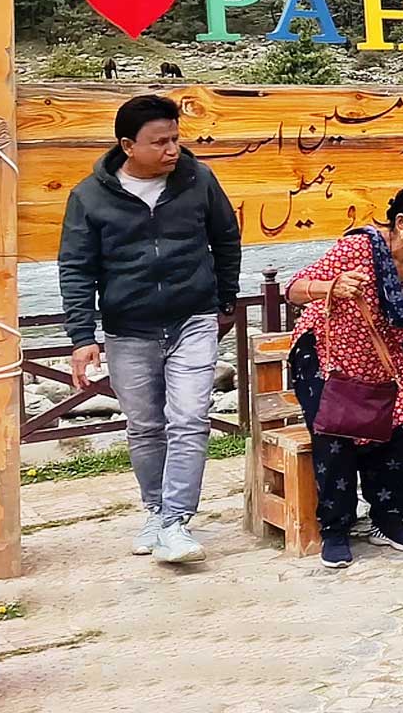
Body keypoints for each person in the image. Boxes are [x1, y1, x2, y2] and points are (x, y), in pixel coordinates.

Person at [58, 95, 241, 564]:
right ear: (127, 146)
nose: (172, 149)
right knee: (144, 427)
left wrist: (224, 299)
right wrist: (82, 337)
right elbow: (76, 268)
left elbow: (226, 238)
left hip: (192, 319)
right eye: (159, 142)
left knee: (190, 419)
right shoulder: (89, 197)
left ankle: (176, 521)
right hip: (128, 328)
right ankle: (156, 512)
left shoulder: (199, 180)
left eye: (175, 138)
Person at [283, 188, 403, 569]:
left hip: (385, 355)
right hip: (328, 352)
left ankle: (387, 519)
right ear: (401, 223)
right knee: (337, 426)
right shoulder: (358, 248)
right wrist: (332, 287)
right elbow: (294, 289)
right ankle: (336, 528)